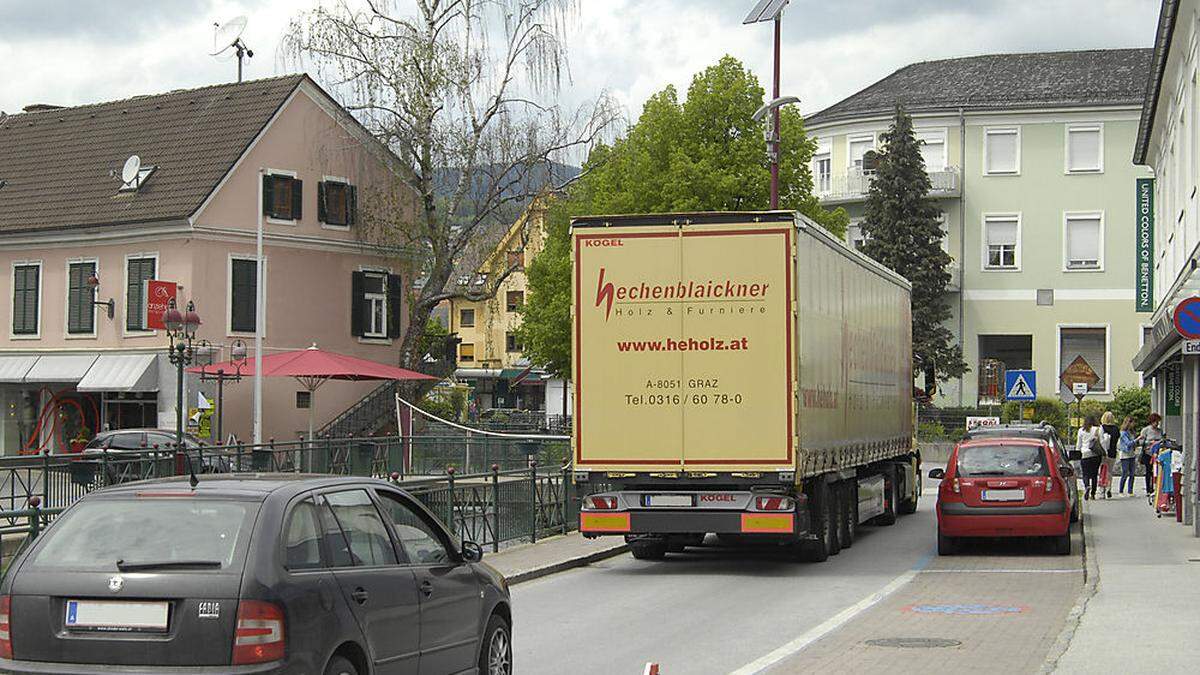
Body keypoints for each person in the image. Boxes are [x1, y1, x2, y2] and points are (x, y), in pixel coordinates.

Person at [1077, 415, 1103, 500]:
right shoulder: (1097, 429)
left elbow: (1079, 444)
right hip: (1095, 454)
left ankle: (1087, 486)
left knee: (1085, 474)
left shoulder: (1081, 430)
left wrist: (1078, 453)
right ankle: (1093, 494)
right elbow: (1102, 441)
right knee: (1094, 474)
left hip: (1085, 454)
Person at [1137, 412, 1164, 496]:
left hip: (1157, 453)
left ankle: (1156, 487)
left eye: (1158, 422)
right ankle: (1149, 489)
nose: (1156, 424)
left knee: (1156, 471)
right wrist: (1149, 442)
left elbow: (1162, 440)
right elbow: (1141, 442)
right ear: (1151, 421)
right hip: (1148, 453)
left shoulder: (1160, 431)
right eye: (1155, 422)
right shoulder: (1146, 430)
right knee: (1149, 471)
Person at [1099, 411, 1119, 499]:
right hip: (1112, 452)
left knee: (1102, 471)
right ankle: (1108, 488)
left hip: (1103, 453)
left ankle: (1101, 489)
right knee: (1109, 471)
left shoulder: (1101, 428)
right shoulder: (1116, 429)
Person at [1117, 417, 1138, 496]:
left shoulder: (1131, 432)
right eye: (1132, 422)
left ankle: (1130, 491)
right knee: (1125, 473)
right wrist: (1137, 439)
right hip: (1125, 455)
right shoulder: (1123, 433)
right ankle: (1121, 491)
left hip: (1131, 454)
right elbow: (1128, 443)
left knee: (1132, 473)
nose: (1134, 424)